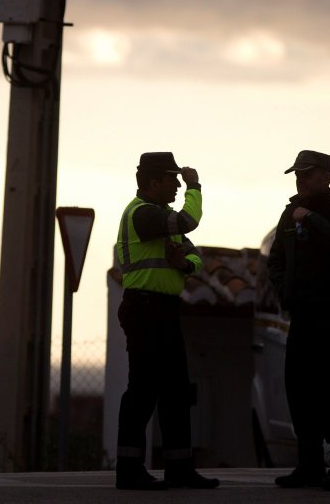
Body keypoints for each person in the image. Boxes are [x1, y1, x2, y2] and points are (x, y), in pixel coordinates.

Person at [113, 152, 219, 491]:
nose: (176, 185)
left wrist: (183, 263)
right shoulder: (143, 214)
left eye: (179, 180)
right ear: (154, 182)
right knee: (142, 390)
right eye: (172, 180)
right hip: (144, 309)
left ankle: (179, 469)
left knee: (175, 392)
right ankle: (129, 470)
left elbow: (195, 257)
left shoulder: (160, 218)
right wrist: (194, 186)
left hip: (163, 310)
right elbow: (189, 222)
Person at [266, 150, 330, 491]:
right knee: (300, 391)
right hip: (303, 317)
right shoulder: (289, 214)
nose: (300, 179)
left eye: (307, 173)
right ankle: (309, 465)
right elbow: (275, 260)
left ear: (326, 176)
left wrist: (311, 219)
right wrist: (284, 290)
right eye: (297, 174)